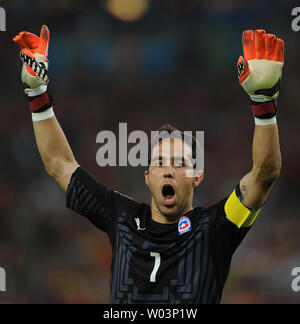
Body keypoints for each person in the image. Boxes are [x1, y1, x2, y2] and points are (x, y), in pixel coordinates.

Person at [13, 26, 284, 304]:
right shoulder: (121, 217)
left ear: (197, 176)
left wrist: (263, 101)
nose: (168, 169)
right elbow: (58, 163)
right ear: (147, 176)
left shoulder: (215, 227)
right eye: (160, 162)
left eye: (179, 163)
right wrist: (37, 93)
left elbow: (264, 175)